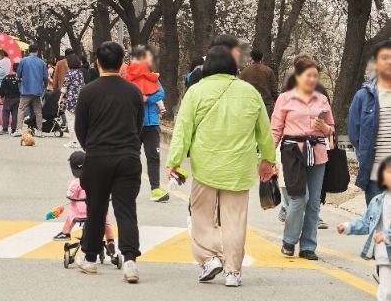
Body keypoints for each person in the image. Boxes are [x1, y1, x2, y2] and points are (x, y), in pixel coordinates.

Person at [167, 44, 277, 287]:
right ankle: (233, 272)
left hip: (206, 165)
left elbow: (182, 131)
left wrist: (174, 161)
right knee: (235, 219)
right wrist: (268, 160)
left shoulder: (196, 92)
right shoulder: (250, 93)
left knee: (201, 217)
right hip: (239, 166)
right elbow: (264, 132)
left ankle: (209, 259)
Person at [74, 41, 143, 283]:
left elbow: (80, 129)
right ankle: (130, 261)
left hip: (98, 157)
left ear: (97, 63)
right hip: (127, 158)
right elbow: (138, 126)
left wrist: (91, 147)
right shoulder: (133, 92)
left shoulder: (88, 92)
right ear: (122, 63)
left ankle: (90, 258)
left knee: (96, 209)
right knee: (126, 209)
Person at [270, 55, 335, 260]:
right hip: (292, 153)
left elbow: (332, 129)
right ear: (298, 76)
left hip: (317, 152)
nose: (312, 79)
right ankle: (289, 240)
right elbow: (275, 130)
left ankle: (308, 246)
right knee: (299, 198)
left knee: (314, 201)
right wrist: (268, 158)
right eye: (309, 75)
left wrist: (324, 128)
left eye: (315, 75)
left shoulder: (322, 99)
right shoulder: (285, 99)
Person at [337, 155, 391, 301]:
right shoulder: (377, 202)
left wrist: (386, 235)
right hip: (384, 256)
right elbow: (366, 223)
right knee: (385, 294)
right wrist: (347, 227)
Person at [124, 46, 169, 203]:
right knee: (131, 158)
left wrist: (146, 98)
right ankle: (127, 190)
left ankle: (155, 189)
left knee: (153, 157)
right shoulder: (127, 77)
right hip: (134, 125)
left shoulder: (152, 78)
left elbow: (161, 93)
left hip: (151, 124)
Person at [350, 39, 391, 206]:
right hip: (374, 173)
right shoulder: (363, 96)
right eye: (384, 57)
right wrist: (364, 156)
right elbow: (354, 133)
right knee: (377, 225)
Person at [53, 150, 115, 250]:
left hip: (79, 213)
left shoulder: (75, 182)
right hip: (97, 211)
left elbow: (70, 195)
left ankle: (66, 232)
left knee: (70, 215)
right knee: (105, 221)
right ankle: (110, 240)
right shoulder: (96, 179)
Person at [14, 44, 46, 137]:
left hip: (26, 89)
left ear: (28, 51)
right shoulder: (41, 62)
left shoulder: (23, 61)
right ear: (37, 51)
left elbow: (18, 74)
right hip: (37, 90)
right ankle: (39, 131)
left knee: (21, 109)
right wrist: (44, 87)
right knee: (38, 111)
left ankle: (19, 129)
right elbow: (45, 77)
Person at [240, 48, 279, 115]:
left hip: (250, 103)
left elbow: (240, 87)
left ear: (251, 57)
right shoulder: (268, 71)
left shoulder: (245, 71)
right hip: (266, 103)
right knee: (266, 124)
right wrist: (276, 100)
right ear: (262, 58)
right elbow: (274, 88)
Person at [60, 53, 84, 149]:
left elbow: (65, 87)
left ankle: (73, 141)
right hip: (80, 99)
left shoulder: (70, 73)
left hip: (70, 100)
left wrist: (60, 98)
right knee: (77, 121)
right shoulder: (80, 73)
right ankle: (78, 141)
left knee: (70, 121)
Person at [0, 70, 20, 135]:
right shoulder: (20, 78)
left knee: (5, 113)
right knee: (15, 114)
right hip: (17, 98)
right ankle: (13, 129)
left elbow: (2, 88)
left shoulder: (6, 77)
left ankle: (5, 128)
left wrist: (2, 96)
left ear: (13, 69)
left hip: (8, 98)